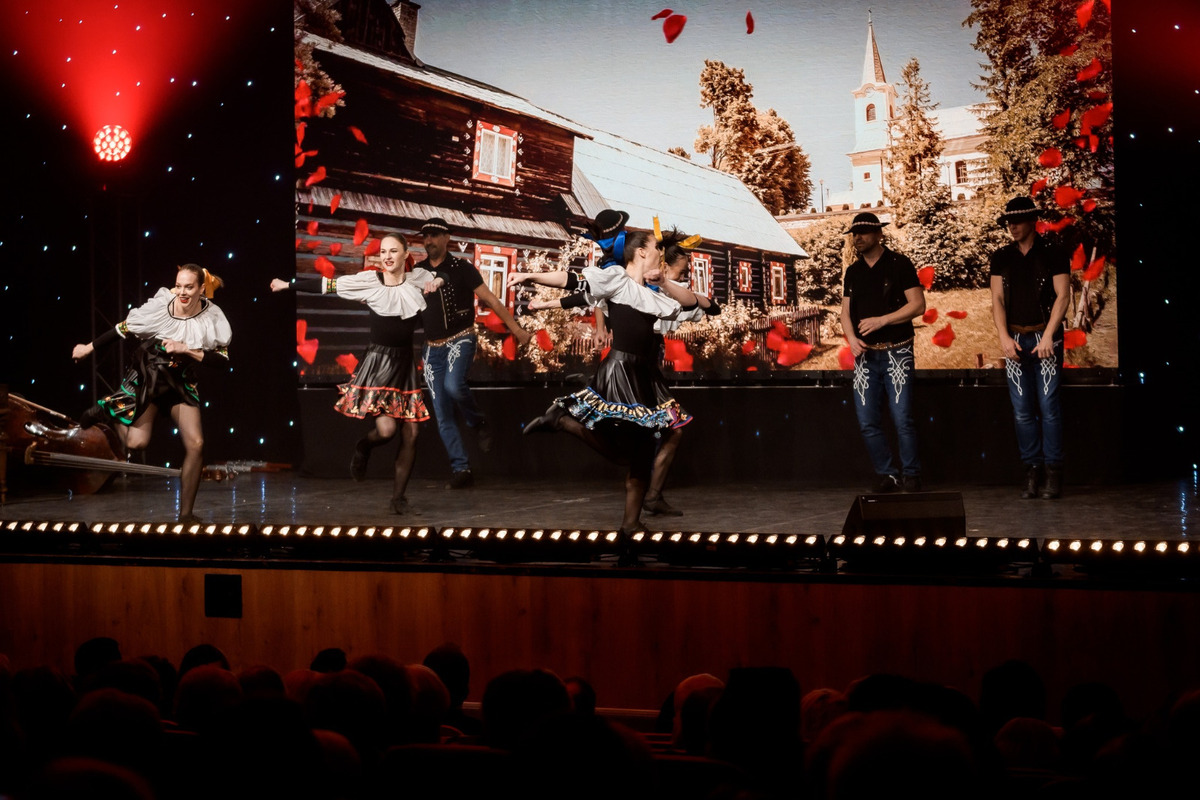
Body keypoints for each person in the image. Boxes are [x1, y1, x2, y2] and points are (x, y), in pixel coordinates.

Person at [516, 210, 697, 538]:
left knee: (638, 453)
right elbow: (572, 280)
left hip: (643, 373)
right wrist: (531, 276)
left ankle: (630, 523)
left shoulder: (650, 292)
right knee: (631, 452)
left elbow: (689, 305)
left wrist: (666, 283)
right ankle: (564, 422)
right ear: (641, 252)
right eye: (656, 248)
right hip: (621, 371)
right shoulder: (616, 278)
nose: (660, 253)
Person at [271, 234, 442, 515]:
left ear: (405, 254)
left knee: (411, 432)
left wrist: (439, 281)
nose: (387, 256)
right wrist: (288, 284)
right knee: (387, 431)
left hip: (405, 366)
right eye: (383, 252)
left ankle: (398, 498)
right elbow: (327, 285)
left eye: (393, 251)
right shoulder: (369, 281)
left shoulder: (417, 280)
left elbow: (443, 275)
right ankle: (364, 446)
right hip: (379, 363)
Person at [72, 263, 232, 522]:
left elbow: (222, 361)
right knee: (137, 443)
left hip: (180, 381)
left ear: (202, 289)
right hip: (150, 374)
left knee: (196, 444)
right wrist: (89, 347)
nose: (182, 292)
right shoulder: (162, 307)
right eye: (178, 286)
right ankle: (108, 409)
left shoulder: (212, 316)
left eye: (189, 287)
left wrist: (186, 349)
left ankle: (186, 516)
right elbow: (124, 328)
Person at [416, 217, 532, 489]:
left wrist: (516, 330)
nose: (429, 240)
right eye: (426, 236)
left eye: (434, 235)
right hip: (432, 348)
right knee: (442, 412)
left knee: (454, 386)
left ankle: (478, 422)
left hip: (461, 338)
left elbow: (491, 300)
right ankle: (461, 469)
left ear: (447, 238)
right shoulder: (418, 272)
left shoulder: (463, 269)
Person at [989, 196, 1070, 499]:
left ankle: (1053, 472)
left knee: (1049, 408)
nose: (1012, 227)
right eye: (1009, 222)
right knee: (1022, 410)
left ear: (1032, 222)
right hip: (1015, 338)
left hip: (1044, 337)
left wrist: (1048, 336)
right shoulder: (1001, 256)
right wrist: (1003, 337)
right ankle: (1032, 470)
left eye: (1017, 221)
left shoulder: (1053, 252)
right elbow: (997, 299)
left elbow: (1063, 295)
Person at [840, 212, 925, 493]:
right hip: (865, 356)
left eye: (864, 232)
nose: (858, 238)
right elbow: (845, 313)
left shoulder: (899, 264)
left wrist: (882, 320)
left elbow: (918, 305)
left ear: (879, 234)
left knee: (902, 419)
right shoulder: (853, 272)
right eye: (855, 233)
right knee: (867, 421)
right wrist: (851, 339)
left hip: (897, 351)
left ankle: (911, 474)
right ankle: (888, 474)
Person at [642, 227, 717, 516]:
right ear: (664, 266)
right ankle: (649, 496)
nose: (686, 276)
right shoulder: (641, 289)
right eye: (682, 270)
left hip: (649, 366)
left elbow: (711, 307)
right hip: (638, 366)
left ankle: (651, 495)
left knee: (668, 431)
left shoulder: (673, 293)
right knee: (661, 431)